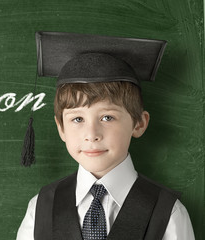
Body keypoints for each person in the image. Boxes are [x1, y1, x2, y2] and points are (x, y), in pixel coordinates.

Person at [17, 32, 195, 240]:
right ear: (61, 128)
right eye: (77, 119)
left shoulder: (168, 212)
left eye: (107, 117)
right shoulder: (40, 208)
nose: (91, 135)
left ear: (139, 123)